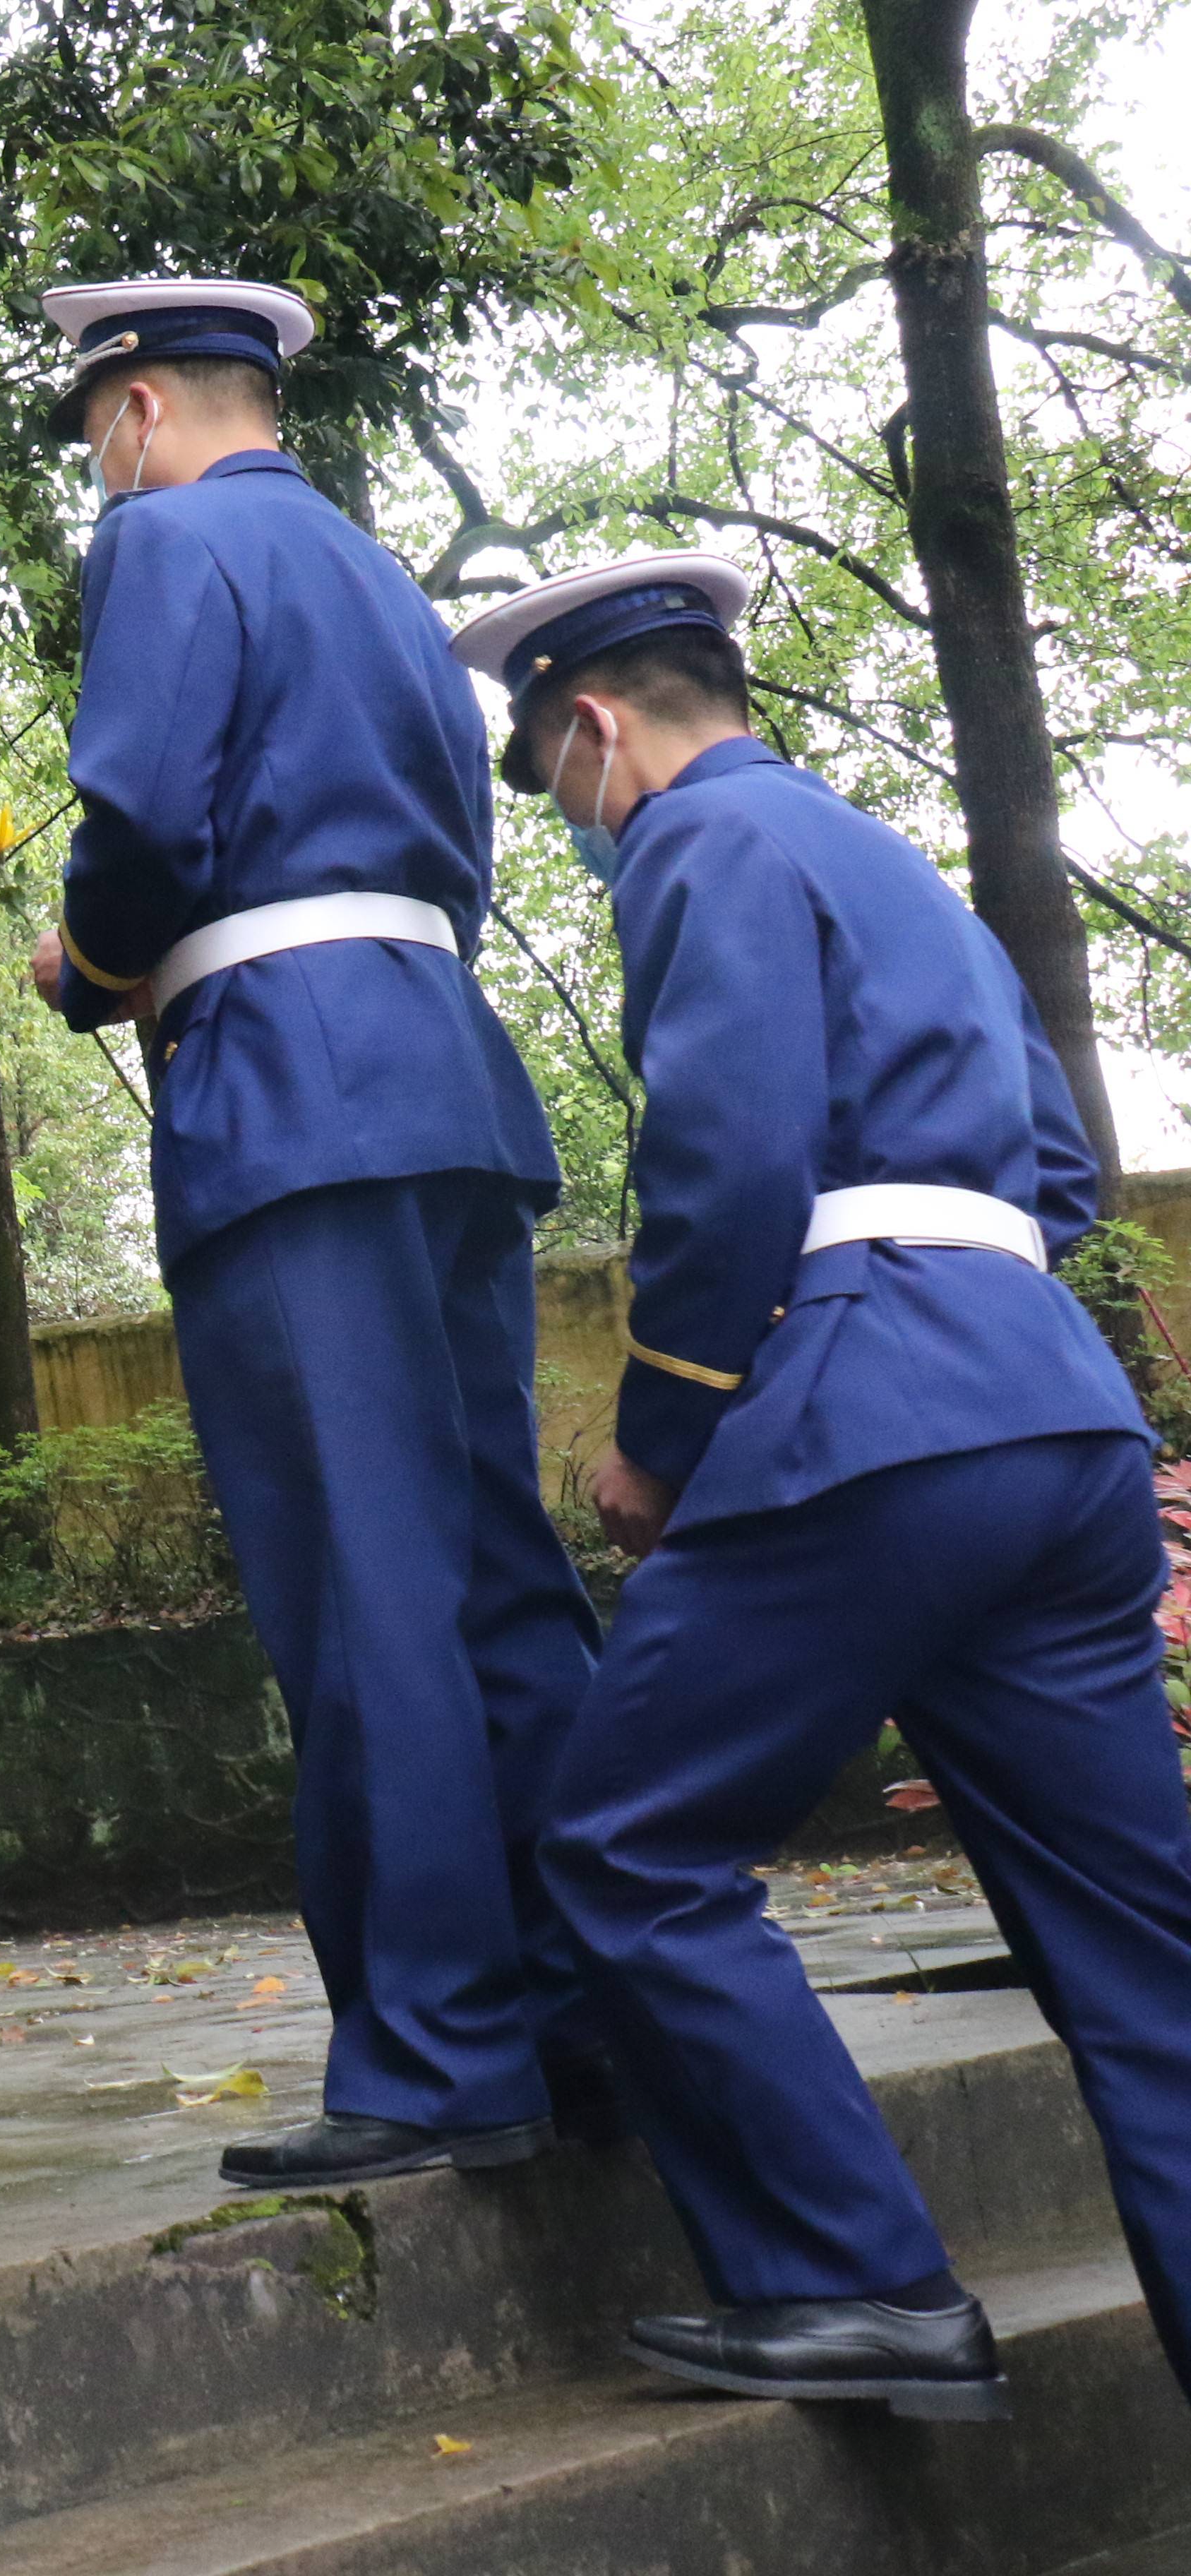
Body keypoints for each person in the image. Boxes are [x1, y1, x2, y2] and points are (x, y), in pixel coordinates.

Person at [457, 553, 1191, 2420]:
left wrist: (667, 1432)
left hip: (862, 1419)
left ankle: (858, 2283)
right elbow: (1055, 1172)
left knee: (626, 1841)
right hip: (1054, 1417)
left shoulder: (699, 845)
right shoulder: (893, 866)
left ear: (599, 727)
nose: (573, 820)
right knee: (1145, 1966)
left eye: (554, 779)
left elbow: (729, 1154)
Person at [23, 277, 602, 2188]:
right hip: (438, 1069)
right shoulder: (376, 578)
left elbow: (150, 822)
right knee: (498, 1580)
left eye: (97, 431)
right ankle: (592, 2007)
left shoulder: (167, 535)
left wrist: (87, 963)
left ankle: (441, 2059)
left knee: (366, 1588)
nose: (101, 466)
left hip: (285, 1095)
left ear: (137, 412)